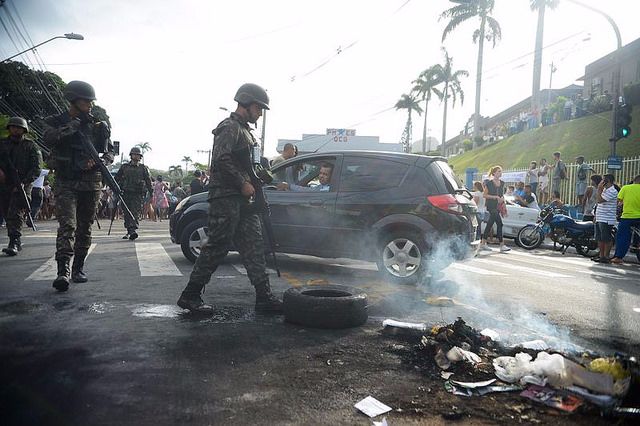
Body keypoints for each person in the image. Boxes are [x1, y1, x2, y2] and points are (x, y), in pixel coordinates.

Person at [177, 82, 283, 315]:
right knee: (217, 245)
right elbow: (221, 159)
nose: (260, 113)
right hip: (226, 196)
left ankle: (264, 297)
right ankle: (191, 295)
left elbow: (252, 167)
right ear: (247, 103)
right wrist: (242, 183)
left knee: (254, 246)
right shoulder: (229, 127)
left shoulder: (246, 132)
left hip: (244, 200)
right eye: (259, 108)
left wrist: (269, 178)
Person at [43, 81, 114, 291]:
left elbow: (110, 151)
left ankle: (78, 269)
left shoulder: (98, 125)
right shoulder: (56, 121)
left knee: (85, 228)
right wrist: (74, 125)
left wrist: (101, 162)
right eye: (86, 101)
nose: (90, 105)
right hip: (66, 181)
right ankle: (62, 272)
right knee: (67, 226)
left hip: (91, 183)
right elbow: (49, 138)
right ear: (73, 100)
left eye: (91, 102)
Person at [0, 116, 42, 256]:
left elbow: (36, 167)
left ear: (24, 130)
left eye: (18, 128)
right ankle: (14, 239)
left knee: (15, 211)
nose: (15, 129)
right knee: (6, 211)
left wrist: (24, 182)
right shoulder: (2, 144)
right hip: (4, 183)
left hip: (23, 183)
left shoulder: (30, 146)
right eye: (12, 127)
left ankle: (14, 241)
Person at [115, 147, 152, 240]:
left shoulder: (143, 168)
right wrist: (115, 189)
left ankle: (132, 230)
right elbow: (116, 178)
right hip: (125, 193)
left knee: (135, 212)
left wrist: (151, 192)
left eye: (138, 155)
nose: (136, 156)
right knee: (126, 212)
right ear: (131, 156)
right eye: (134, 154)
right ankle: (129, 230)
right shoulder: (124, 167)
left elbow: (148, 181)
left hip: (137, 194)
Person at [477, 165, 510, 253]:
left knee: (490, 224)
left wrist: (503, 201)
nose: (500, 173)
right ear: (494, 173)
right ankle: (502, 245)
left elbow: (502, 194)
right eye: (498, 171)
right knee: (500, 224)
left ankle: (483, 243)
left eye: (501, 171)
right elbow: (485, 195)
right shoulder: (489, 183)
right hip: (491, 206)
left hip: (498, 206)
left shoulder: (502, 183)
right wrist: (495, 197)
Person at [611, 175, 640, 265]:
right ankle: (636, 246)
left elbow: (619, 202)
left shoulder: (625, 188)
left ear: (634, 180)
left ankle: (619, 257)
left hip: (627, 217)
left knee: (623, 237)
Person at [592, 174, 618, 263]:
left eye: (603, 180)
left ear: (608, 181)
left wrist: (599, 190)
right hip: (600, 217)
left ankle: (606, 256)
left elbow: (600, 200)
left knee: (606, 238)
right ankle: (601, 256)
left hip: (607, 218)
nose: (601, 182)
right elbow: (598, 203)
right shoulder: (604, 190)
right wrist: (596, 215)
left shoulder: (613, 191)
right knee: (599, 238)